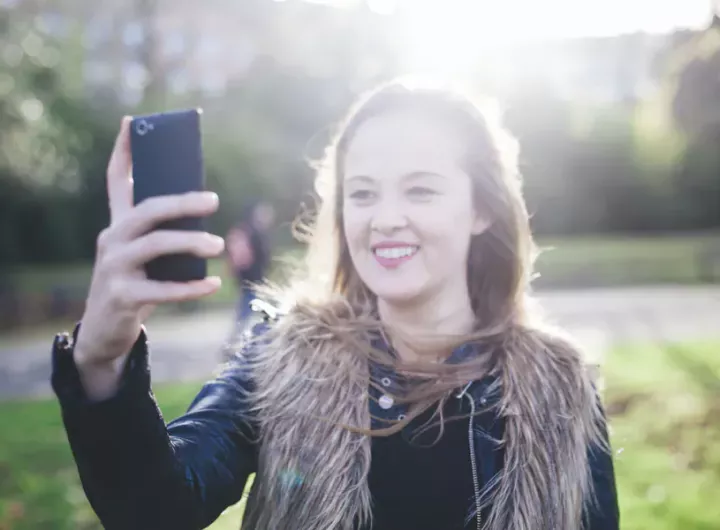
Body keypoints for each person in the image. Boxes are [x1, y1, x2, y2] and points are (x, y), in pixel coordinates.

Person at [50, 79, 619, 530]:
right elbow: (155, 511)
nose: (385, 218)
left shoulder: (561, 387)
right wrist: (101, 360)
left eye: (420, 189)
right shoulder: (279, 359)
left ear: (482, 210)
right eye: (363, 192)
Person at [225, 201, 274, 325]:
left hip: (252, 276)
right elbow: (255, 255)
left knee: (251, 306)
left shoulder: (253, 231)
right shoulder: (252, 232)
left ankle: (241, 335)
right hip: (251, 277)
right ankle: (236, 338)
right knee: (249, 306)